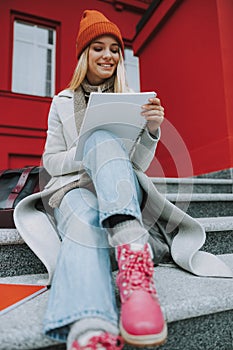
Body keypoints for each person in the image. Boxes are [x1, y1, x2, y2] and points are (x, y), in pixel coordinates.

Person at [13, 8, 233, 350]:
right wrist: (89, 149)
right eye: (98, 47)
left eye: (115, 48)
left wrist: (152, 131)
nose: (109, 55)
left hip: (118, 189)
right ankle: (104, 307)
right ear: (85, 55)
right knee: (90, 189)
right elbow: (51, 162)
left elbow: (136, 165)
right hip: (72, 190)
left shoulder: (131, 99)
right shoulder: (62, 102)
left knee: (106, 147)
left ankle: (119, 289)